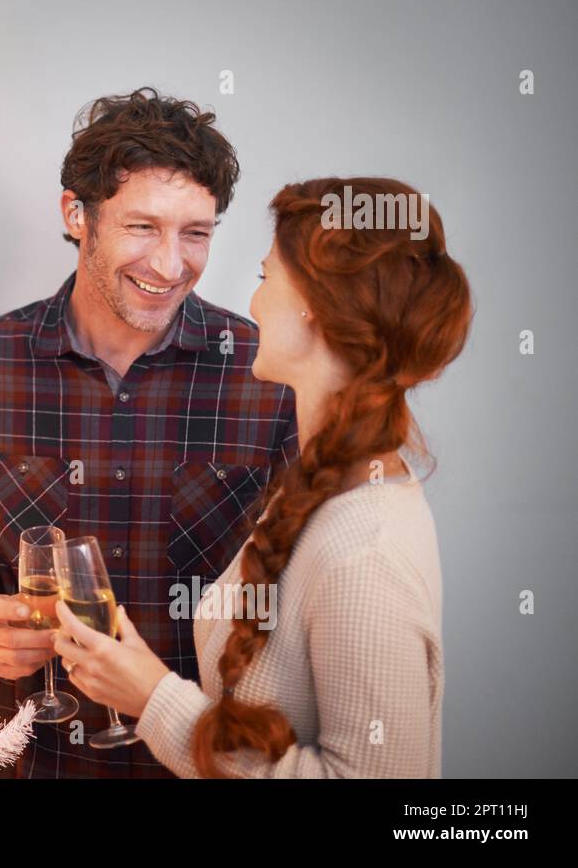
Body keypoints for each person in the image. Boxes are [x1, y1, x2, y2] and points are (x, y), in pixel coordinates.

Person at [50, 176, 472, 777]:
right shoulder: (323, 483)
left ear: (315, 311)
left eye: (265, 277)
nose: (251, 303)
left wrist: (153, 698)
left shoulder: (366, 550)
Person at [0, 87, 297, 778]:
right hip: (28, 764)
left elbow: (302, 610)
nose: (171, 265)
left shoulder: (269, 375)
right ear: (77, 214)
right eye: (142, 227)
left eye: (195, 232)